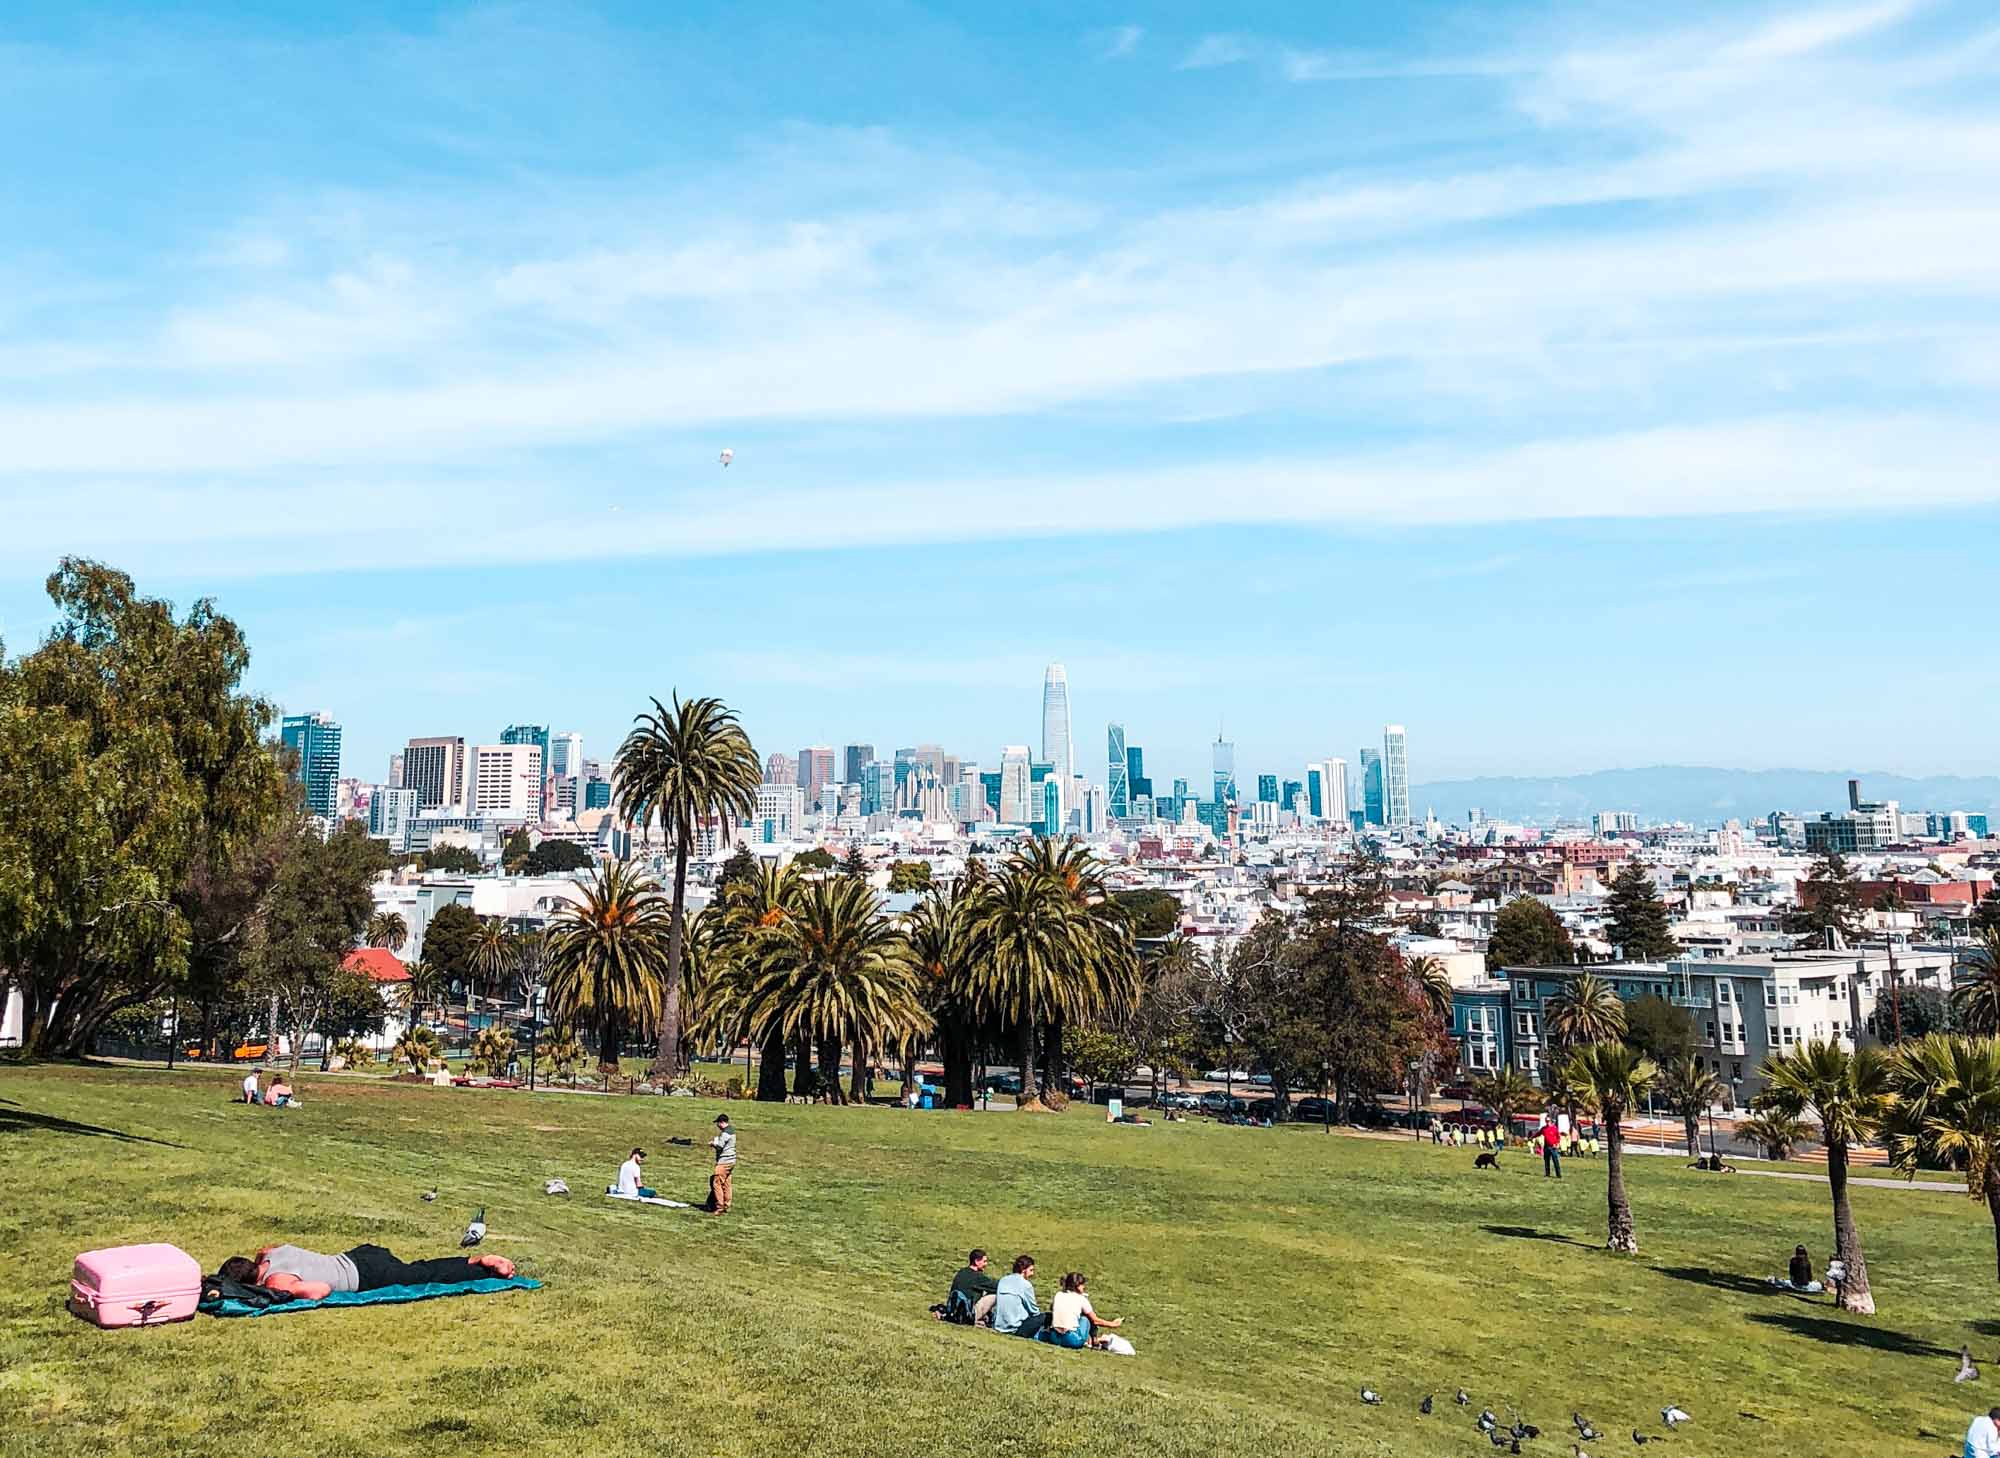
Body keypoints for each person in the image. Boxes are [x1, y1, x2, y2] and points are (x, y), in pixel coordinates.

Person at [221, 1242, 516, 1299]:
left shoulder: (277, 1281)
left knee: (425, 1275)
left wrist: (276, 1290)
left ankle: (481, 1266)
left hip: (366, 1277)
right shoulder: (273, 1254)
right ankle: (472, 1261)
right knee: (420, 1267)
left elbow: (319, 1291)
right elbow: (264, 1248)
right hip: (361, 1254)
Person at [1037, 1271, 1123, 1350]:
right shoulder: (1081, 1299)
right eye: (1082, 1285)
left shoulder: (1058, 1294)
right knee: (1085, 1319)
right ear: (1077, 1286)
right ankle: (1093, 1341)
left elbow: (1053, 1309)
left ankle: (1093, 1340)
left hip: (1054, 1337)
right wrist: (1113, 1324)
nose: (1084, 1287)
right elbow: (1095, 1321)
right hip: (1072, 1340)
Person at [991, 1254, 1046, 1339]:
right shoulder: (1026, 1285)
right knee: (1046, 1316)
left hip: (999, 1326)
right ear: (1024, 1270)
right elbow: (1034, 1311)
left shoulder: (1003, 1280)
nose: (1032, 1273)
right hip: (1016, 1328)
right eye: (1031, 1270)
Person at [946, 1248, 1000, 1325]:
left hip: (952, 1311)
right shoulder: (977, 1277)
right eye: (984, 1261)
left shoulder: (962, 1272)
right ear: (977, 1261)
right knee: (996, 1294)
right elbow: (996, 1286)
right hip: (968, 1314)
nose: (986, 1264)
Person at [709, 1114, 736, 1215]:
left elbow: (720, 1147)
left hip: (724, 1161)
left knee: (717, 1183)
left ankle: (719, 1206)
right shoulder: (732, 1131)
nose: (717, 1125)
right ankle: (726, 1204)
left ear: (721, 1122)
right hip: (732, 1161)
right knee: (726, 1184)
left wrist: (713, 1144)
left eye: (717, 1123)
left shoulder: (725, 1134)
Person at [1540, 1113, 1562, 1179]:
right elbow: (1538, 1133)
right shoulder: (1543, 1129)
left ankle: (1558, 1175)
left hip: (1553, 1147)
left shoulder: (1554, 1128)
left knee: (1555, 1161)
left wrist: (1557, 1144)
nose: (1547, 1122)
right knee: (1546, 1161)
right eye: (1546, 1121)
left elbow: (1558, 1137)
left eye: (1548, 1121)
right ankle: (1547, 1174)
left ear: (1550, 1121)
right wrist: (1531, 1137)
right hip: (1546, 1147)